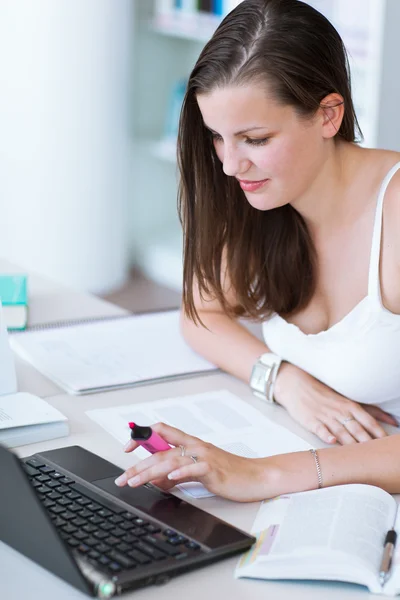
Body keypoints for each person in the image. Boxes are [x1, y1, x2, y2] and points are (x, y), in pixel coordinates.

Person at [115, 0, 400, 501]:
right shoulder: (266, 194)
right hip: (313, 463)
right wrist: (283, 380)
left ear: (329, 115)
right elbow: (201, 312)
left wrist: (261, 474)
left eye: (255, 138)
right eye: (217, 139)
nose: (229, 165)